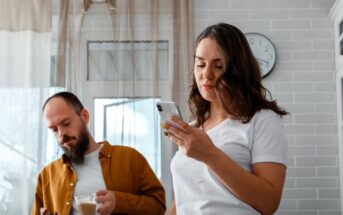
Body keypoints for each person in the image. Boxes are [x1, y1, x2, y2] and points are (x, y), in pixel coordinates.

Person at [163, 23, 288, 215]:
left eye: (218, 65)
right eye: (200, 64)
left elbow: (269, 203)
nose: (206, 74)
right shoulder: (193, 128)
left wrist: (210, 155)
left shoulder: (263, 120)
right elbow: (184, 199)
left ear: (238, 69)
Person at [31, 92, 165, 215]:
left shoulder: (130, 158)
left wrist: (119, 202)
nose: (61, 135)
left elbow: (158, 206)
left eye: (66, 123)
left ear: (84, 116)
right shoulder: (46, 175)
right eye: (54, 129)